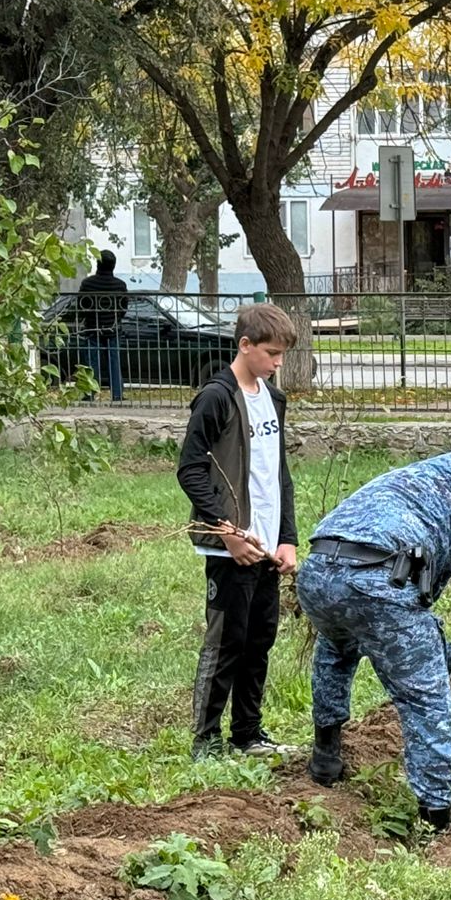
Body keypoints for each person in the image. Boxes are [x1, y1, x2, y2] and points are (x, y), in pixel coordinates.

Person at [296, 454, 451, 830]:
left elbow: (409, 621)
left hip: (317, 575)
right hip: (377, 582)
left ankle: (325, 759)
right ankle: (437, 816)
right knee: (425, 700)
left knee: (337, 649)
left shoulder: (415, 482)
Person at [177, 302, 300, 759]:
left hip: (268, 546)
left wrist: (287, 537)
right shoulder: (216, 397)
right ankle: (205, 741)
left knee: (259, 639)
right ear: (245, 345)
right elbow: (190, 470)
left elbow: (279, 473)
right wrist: (226, 530)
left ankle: (247, 734)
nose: (278, 362)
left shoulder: (273, 397)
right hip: (231, 547)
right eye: (271, 353)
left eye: (282, 354)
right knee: (226, 641)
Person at [77, 249, 128, 402]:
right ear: (113, 266)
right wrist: (115, 318)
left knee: (91, 362)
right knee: (114, 361)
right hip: (113, 328)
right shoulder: (120, 285)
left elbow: (81, 304)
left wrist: (90, 317)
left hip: (92, 327)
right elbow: (123, 307)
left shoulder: (88, 283)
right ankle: (117, 394)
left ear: (97, 263)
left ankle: (90, 393)